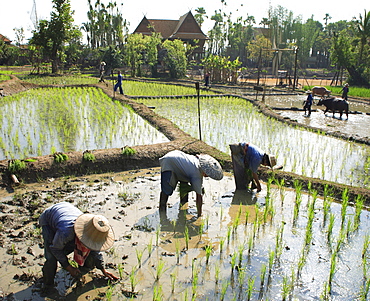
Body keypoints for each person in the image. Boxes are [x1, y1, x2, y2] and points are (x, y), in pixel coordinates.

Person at [39, 202, 118, 291]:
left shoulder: (93, 230)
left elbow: (95, 250)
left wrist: (103, 269)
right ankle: (47, 285)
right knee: (52, 257)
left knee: (87, 249)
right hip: (49, 220)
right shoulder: (66, 232)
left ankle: (83, 270)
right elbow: (55, 249)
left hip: (66, 212)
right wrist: (68, 267)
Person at [159, 150, 223, 217]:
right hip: (169, 162)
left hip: (176, 155)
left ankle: (183, 203)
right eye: (208, 174)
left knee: (184, 183)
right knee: (167, 189)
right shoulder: (196, 175)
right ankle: (162, 214)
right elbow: (199, 196)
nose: (208, 176)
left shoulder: (197, 160)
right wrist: (199, 214)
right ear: (205, 172)